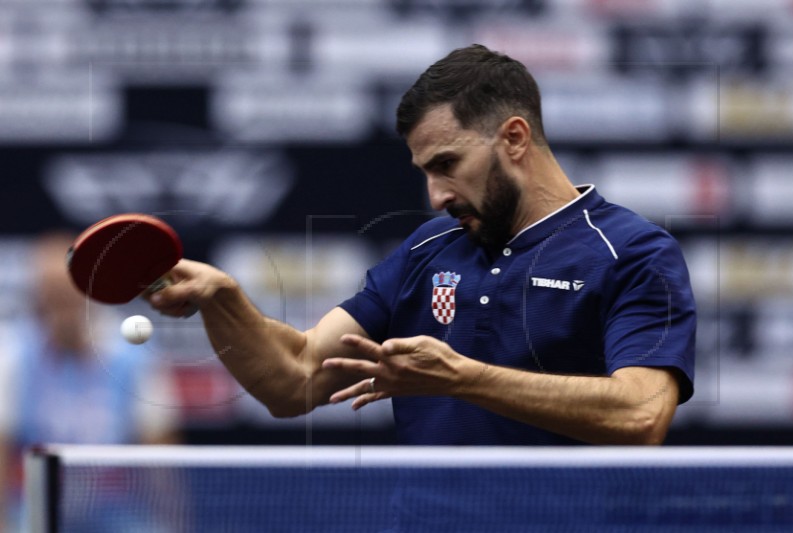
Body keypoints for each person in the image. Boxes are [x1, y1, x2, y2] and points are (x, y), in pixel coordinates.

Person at [149, 44, 696, 447]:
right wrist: (223, 300)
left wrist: (463, 378)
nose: (436, 196)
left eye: (448, 165)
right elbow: (294, 381)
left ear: (514, 138)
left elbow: (640, 415)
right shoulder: (429, 248)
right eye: (425, 172)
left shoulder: (634, 253)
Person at [0, 232, 181, 532]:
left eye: (69, 290)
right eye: (52, 292)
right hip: (35, 505)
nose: (62, 304)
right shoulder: (11, 356)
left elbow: (159, 455)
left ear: (88, 288)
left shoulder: (134, 357)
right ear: (37, 295)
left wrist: (174, 523)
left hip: (114, 511)